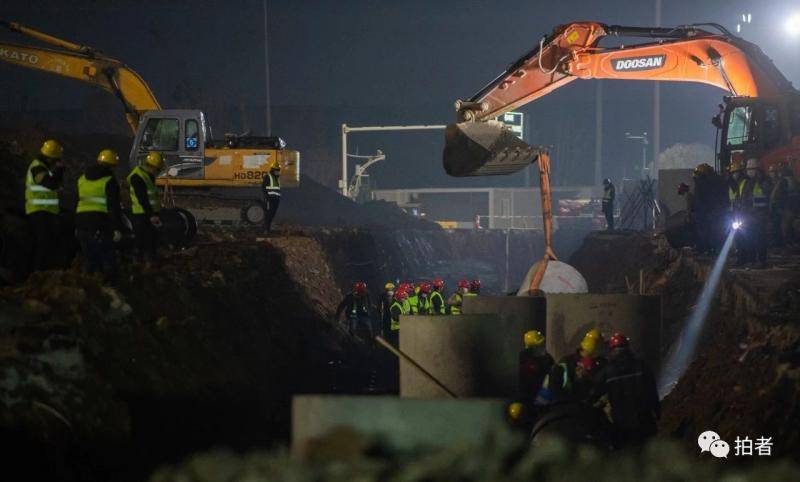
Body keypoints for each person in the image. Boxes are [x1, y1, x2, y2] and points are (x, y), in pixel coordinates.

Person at [593, 333, 660, 447]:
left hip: (621, 425)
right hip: (644, 421)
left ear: (613, 350)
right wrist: (658, 412)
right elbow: (652, 392)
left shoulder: (607, 372)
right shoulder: (641, 366)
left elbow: (594, 393)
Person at [75, 149, 123, 284]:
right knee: (107, 256)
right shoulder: (109, 180)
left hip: (81, 222)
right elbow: (114, 207)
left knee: (89, 257)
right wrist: (117, 229)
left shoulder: (82, 179)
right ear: (112, 166)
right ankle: (110, 288)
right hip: (99, 222)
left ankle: (90, 287)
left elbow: (76, 200)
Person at [536, 328, 606, 406]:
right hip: (562, 406)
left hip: (579, 408)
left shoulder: (599, 363)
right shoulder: (566, 363)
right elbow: (555, 390)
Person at [25, 139, 65, 272]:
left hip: (45, 211)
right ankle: (38, 273)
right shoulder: (37, 168)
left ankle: (43, 272)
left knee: (47, 244)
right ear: (51, 157)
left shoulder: (43, 168)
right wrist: (59, 170)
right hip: (39, 211)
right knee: (44, 244)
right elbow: (50, 184)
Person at [127, 151, 163, 267]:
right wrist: (151, 215)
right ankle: (141, 265)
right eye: (158, 169)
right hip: (142, 214)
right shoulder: (137, 177)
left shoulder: (147, 175)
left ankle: (146, 264)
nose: (158, 172)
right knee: (143, 240)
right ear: (153, 167)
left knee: (150, 240)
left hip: (148, 213)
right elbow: (142, 198)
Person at [739, 158, 772, 268]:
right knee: (750, 239)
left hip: (760, 216)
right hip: (748, 216)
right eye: (748, 169)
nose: (749, 171)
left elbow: (767, 194)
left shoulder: (764, 181)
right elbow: (743, 198)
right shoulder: (746, 181)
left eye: (752, 169)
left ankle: (761, 260)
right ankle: (751, 260)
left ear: (757, 169)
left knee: (760, 239)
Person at [519, 330, 554, 404]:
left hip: (542, 396)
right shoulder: (524, 358)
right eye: (539, 345)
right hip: (530, 396)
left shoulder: (547, 359)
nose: (542, 347)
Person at [261, 162, 281, 233]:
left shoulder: (276, 178)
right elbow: (263, 187)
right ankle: (266, 229)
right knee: (268, 214)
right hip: (270, 199)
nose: (278, 171)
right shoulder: (268, 176)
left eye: (278, 170)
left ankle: (267, 229)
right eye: (276, 170)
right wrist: (267, 197)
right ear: (273, 170)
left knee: (272, 214)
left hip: (276, 199)